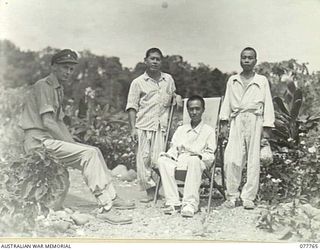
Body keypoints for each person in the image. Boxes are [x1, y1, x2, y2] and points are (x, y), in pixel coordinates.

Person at [20, 49, 135, 225]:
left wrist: (74, 145)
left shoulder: (57, 88)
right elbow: (49, 123)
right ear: (53, 67)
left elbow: (59, 123)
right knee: (88, 154)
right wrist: (75, 147)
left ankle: (111, 196)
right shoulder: (44, 85)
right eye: (64, 67)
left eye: (71, 69)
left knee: (92, 150)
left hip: (46, 140)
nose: (68, 72)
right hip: (37, 142)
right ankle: (106, 207)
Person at [219, 47, 275, 210]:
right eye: (244, 57)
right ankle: (232, 196)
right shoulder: (233, 80)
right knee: (232, 159)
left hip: (255, 120)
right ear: (240, 60)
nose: (247, 60)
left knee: (253, 161)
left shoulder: (261, 80)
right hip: (237, 120)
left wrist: (267, 128)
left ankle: (248, 197)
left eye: (250, 58)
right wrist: (224, 122)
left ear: (255, 61)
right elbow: (227, 101)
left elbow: (268, 104)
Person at [126, 48, 182, 203]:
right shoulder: (138, 83)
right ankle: (151, 192)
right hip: (143, 125)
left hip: (162, 126)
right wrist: (132, 129)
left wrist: (177, 97)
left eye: (158, 59)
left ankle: (159, 189)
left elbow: (172, 95)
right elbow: (131, 106)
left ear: (161, 62)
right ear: (146, 61)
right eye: (152, 59)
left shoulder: (168, 79)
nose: (155, 62)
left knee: (159, 160)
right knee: (143, 160)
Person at [157, 95, 216, 217]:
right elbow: (174, 149)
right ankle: (173, 202)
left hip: (198, 163)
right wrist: (168, 156)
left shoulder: (208, 131)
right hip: (180, 161)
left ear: (203, 110)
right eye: (191, 109)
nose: (194, 112)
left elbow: (210, 154)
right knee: (162, 160)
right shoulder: (181, 129)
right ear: (187, 110)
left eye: (197, 109)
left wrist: (198, 156)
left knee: (193, 160)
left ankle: (190, 203)